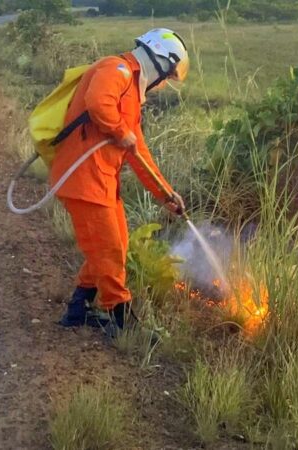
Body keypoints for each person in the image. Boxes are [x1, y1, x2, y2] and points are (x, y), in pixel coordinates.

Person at [53, 28, 189, 331]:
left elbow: (138, 153)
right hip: (82, 180)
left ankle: (78, 309)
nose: (162, 84)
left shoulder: (131, 96)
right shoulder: (116, 69)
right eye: (166, 76)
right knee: (109, 250)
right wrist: (119, 131)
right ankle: (121, 320)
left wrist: (166, 194)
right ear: (159, 61)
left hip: (102, 182)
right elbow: (98, 102)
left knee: (116, 245)